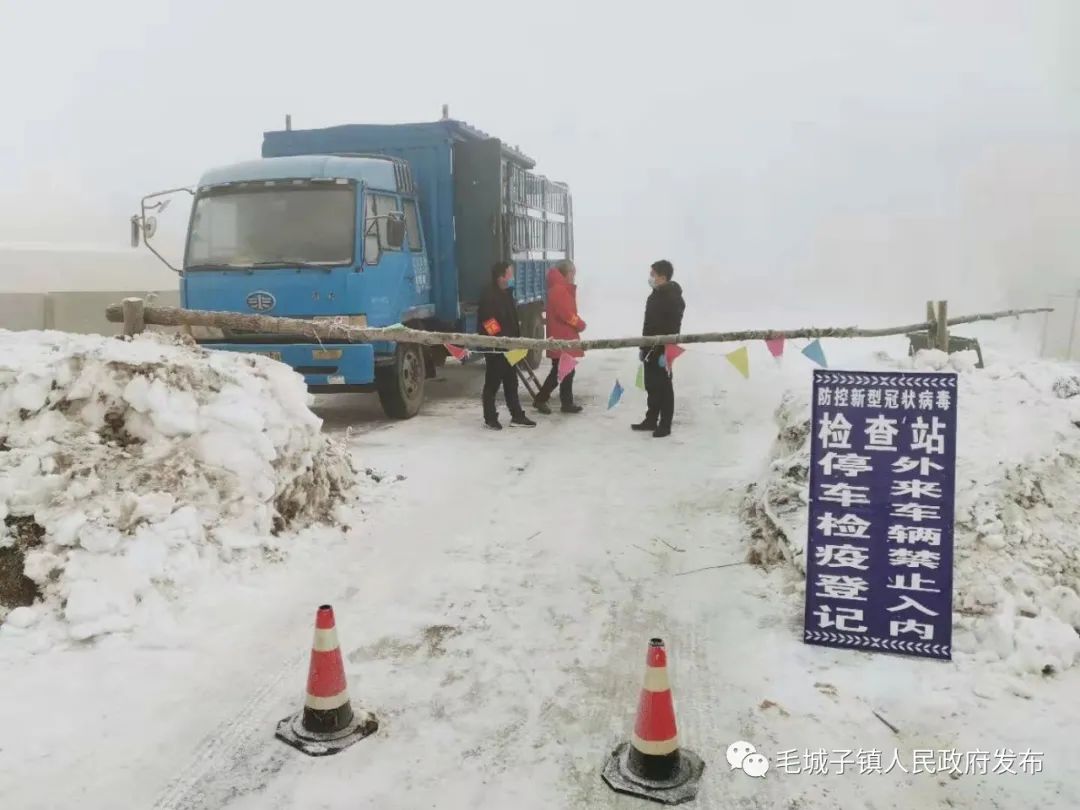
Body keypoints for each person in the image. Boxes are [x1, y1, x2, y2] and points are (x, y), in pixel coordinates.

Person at [478, 261, 537, 430]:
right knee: (492, 384)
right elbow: (489, 323)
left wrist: (515, 342)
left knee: (512, 382)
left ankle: (517, 416)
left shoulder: (507, 294)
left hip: (511, 347)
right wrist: (501, 341)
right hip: (496, 348)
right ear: (501, 277)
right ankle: (490, 418)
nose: (513, 278)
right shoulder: (489, 296)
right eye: (510, 274)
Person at [634, 259, 685, 438]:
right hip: (649, 347)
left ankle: (665, 424)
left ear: (662, 277)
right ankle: (651, 419)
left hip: (663, 349)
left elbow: (672, 327)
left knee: (663, 386)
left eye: (653, 275)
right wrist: (644, 347)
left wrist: (666, 350)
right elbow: (648, 325)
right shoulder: (654, 295)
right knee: (651, 386)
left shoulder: (673, 297)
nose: (650, 278)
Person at [533, 260, 586, 415]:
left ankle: (565, 402)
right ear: (567, 273)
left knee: (565, 370)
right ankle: (542, 399)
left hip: (563, 337)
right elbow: (566, 314)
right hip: (562, 338)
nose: (574, 277)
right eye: (572, 273)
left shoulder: (559, 288)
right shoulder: (559, 290)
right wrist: (580, 325)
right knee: (560, 372)